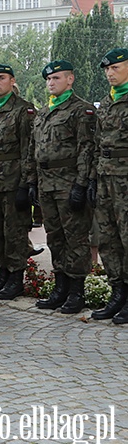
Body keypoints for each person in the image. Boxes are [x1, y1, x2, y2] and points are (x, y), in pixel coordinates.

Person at [31, 61, 95, 315]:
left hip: (69, 182)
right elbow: (35, 150)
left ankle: (77, 292)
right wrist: (33, 182)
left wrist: (81, 183)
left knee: (75, 238)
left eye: (56, 78)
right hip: (47, 182)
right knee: (54, 237)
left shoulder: (81, 110)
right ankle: (61, 288)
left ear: (70, 79)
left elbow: (86, 149)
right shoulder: (44, 112)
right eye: (48, 79)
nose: (51, 83)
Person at [0, 64, 36, 300]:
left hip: (13, 180)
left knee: (15, 232)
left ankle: (15, 277)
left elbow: (29, 149)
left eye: (2, 78)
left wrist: (26, 184)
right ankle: (0, 274)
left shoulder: (24, 110)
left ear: (12, 81)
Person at [91, 48, 128, 323]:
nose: (110, 74)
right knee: (108, 238)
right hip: (105, 178)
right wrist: (93, 178)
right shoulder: (105, 102)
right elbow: (97, 144)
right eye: (107, 70)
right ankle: (118, 292)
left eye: (115, 68)